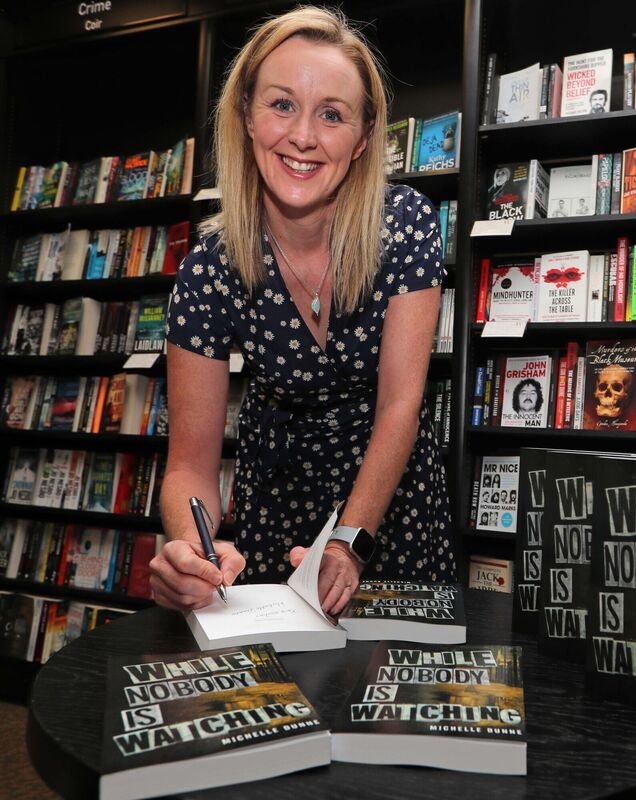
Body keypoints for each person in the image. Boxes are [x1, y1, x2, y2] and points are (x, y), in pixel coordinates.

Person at [149, 7, 455, 616]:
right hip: (275, 507)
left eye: (332, 114)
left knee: (398, 703)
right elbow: (188, 463)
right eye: (282, 104)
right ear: (246, 116)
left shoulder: (407, 223)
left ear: (364, 137)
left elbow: (401, 404)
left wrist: (349, 540)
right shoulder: (209, 267)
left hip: (387, 506)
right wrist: (191, 548)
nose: (304, 137)